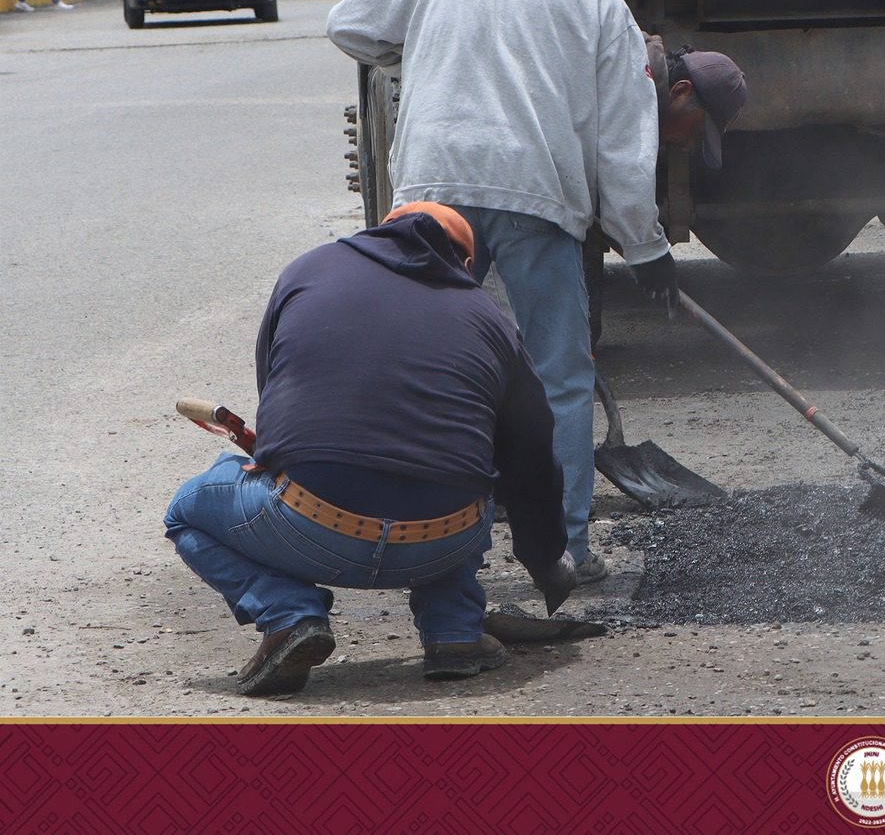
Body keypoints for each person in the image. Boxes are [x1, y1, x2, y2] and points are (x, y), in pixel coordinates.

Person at [327, 0, 680, 584]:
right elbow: (624, 138)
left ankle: (421, 544)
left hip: (433, 190)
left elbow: (351, 24)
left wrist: (421, 60)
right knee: (559, 379)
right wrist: (645, 246)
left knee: (428, 366)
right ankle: (565, 551)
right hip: (537, 196)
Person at [164, 204, 577, 696]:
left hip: (310, 529)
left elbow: (274, 388)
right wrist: (544, 556)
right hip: (442, 542)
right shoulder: (490, 319)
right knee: (467, 467)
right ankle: (455, 634)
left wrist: (280, 453)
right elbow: (530, 455)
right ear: (465, 265)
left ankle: (289, 615)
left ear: (379, 232)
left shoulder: (308, 270)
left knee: (187, 511)